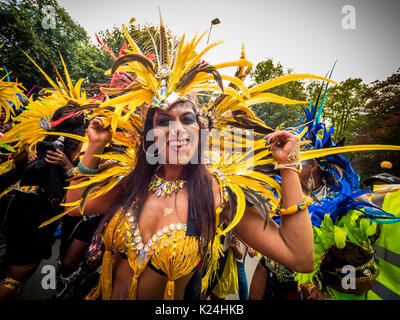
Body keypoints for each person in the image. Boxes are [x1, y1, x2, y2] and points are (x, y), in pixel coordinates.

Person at [61, 13, 334, 300]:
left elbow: (299, 258)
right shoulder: (133, 182)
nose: (177, 130)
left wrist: (288, 168)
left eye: (186, 120)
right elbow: (74, 208)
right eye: (164, 121)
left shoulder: (218, 195)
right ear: (150, 135)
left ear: (201, 129)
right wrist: (94, 147)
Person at [0, 106, 86, 299]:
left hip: (17, 218)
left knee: (11, 275)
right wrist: (69, 167)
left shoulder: (46, 146)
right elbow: (70, 194)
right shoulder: (58, 157)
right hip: (32, 227)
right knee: (14, 279)